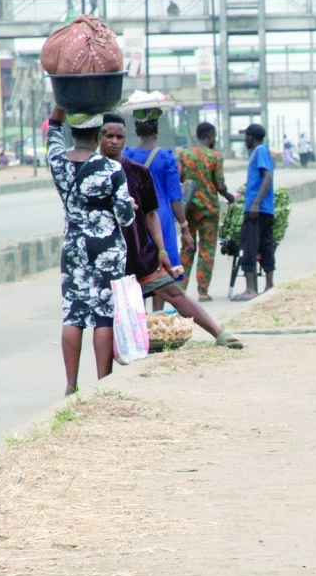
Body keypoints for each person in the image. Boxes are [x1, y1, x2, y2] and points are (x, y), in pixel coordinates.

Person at [101, 114, 243, 349]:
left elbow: (150, 214)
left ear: (128, 137)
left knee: (172, 292)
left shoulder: (137, 170)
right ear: (99, 136)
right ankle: (129, 350)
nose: (115, 141)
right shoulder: (92, 172)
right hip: (107, 256)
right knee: (110, 312)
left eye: (119, 136)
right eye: (109, 136)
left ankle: (219, 334)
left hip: (139, 249)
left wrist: (162, 249)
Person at [47, 109, 135, 397]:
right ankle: (103, 384)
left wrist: (61, 107)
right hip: (106, 248)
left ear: (74, 134)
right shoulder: (111, 169)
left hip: (73, 246)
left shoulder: (58, 162)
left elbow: (53, 130)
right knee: (103, 315)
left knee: (73, 314)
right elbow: (125, 217)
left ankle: (70, 386)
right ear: (98, 137)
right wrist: (130, 206)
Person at [123, 109, 194, 311]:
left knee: (138, 266)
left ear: (137, 131)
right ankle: (158, 315)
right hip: (161, 217)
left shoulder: (128, 155)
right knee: (163, 269)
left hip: (137, 215)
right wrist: (185, 227)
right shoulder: (167, 157)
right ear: (156, 131)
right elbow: (175, 197)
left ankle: (140, 317)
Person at [177, 121, 235, 302]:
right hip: (209, 210)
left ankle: (180, 288)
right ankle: (202, 291)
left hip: (188, 210)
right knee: (207, 250)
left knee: (187, 248)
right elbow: (219, 185)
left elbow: (178, 179)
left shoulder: (184, 155)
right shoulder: (215, 156)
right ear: (210, 136)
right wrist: (229, 196)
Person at [232, 123, 275, 302]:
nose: (244, 141)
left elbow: (268, 176)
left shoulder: (259, 151)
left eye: (245, 137)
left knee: (249, 246)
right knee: (266, 245)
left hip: (256, 209)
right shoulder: (261, 152)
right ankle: (269, 286)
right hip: (264, 209)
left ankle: (251, 289)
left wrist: (256, 202)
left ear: (250, 137)